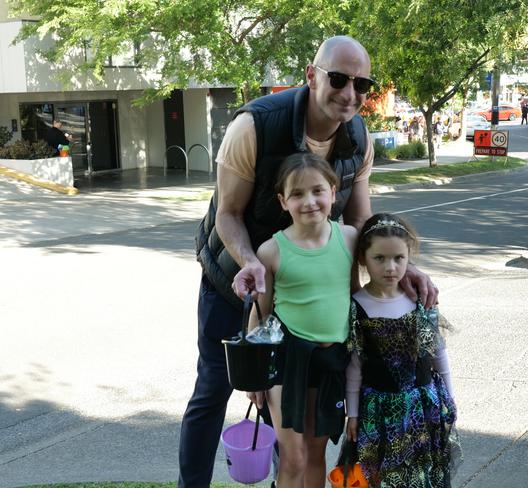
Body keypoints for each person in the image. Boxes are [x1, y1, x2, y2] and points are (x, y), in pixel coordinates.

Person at [179, 35, 438, 488]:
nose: (350, 93)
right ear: (312, 75)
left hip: (304, 292)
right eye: (339, 79)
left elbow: (361, 222)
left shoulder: (358, 137)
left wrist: (402, 267)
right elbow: (229, 213)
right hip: (235, 280)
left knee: (294, 425)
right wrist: (250, 264)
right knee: (215, 389)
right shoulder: (256, 126)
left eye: (362, 84)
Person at [247, 152, 357, 488]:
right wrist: (255, 377)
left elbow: (357, 295)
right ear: (283, 201)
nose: (309, 201)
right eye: (297, 194)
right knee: (293, 455)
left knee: (315, 451)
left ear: (333, 192)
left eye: (317, 191)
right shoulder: (272, 251)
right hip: (287, 361)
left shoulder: (350, 239)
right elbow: (260, 315)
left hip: (332, 361)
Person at [345, 213, 461, 487]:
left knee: (424, 473)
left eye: (399, 258)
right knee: (384, 476)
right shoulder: (357, 306)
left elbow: (438, 353)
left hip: (423, 407)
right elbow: (354, 365)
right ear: (363, 258)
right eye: (380, 258)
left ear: (409, 258)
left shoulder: (419, 301)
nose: (390, 267)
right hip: (379, 412)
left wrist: (450, 399)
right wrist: (352, 413)